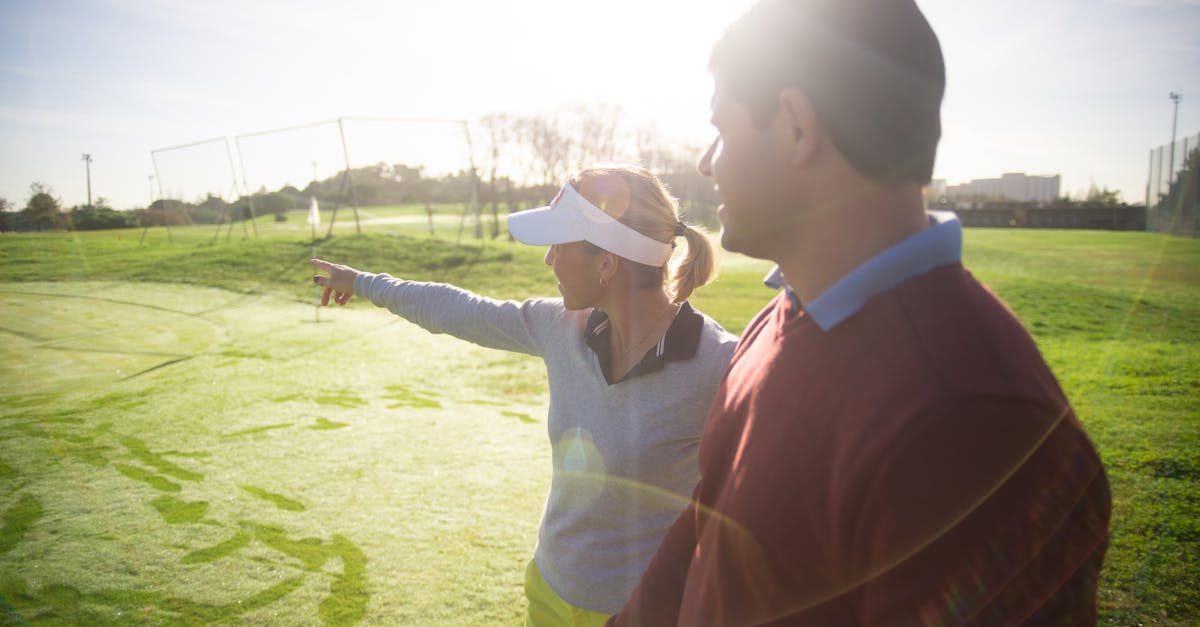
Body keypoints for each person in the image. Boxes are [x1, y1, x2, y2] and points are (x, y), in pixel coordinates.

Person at [608, 0, 1112, 625]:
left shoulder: (975, 421)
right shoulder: (785, 316)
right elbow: (708, 527)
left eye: (722, 129)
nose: (708, 162)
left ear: (796, 126)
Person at [311, 164, 738, 626]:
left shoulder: (718, 364)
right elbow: (460, 310)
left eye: (559, 246)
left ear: (606, 264)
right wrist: (362, 282)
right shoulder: (562, 326)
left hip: (647, 611)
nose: (548, 260)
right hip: (550, 589)